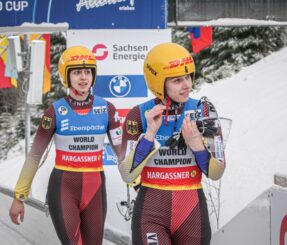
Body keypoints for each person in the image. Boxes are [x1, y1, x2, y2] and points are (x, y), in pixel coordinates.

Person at [9, 46, 122, 245]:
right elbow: (35, 156)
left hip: (95, 187)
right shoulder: (54, 111)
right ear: (66, 76)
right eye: (77, 72)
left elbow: (123, 154)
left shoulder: (107, 109)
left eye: (87, 72)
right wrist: (20, 196)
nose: (83, 77)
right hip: (63, 187)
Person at [118, 43, 226, 245]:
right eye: (177, 80)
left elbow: (216, 172)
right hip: (151, 211)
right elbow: (127, 174)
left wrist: (197, 146)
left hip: (191, 211)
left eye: (188, 77)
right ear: (159, 83)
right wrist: (150, 134)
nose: (186, 84)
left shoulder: (203, 110)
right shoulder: (139, 114)